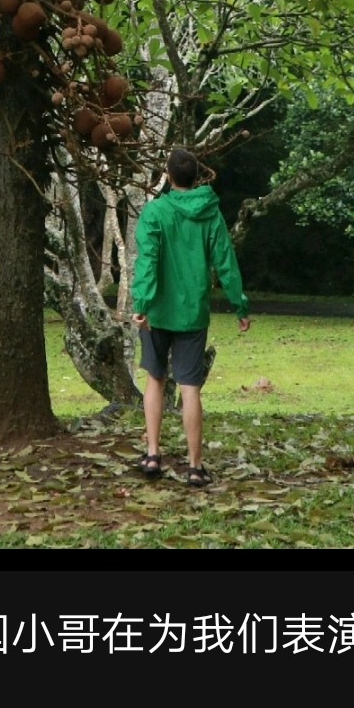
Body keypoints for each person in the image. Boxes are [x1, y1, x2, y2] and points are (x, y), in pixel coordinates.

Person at [130, 146, 250, 486]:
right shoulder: (210, 213)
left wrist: (141, 305)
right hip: (193, 313)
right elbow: (225, 262)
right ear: (197, 177)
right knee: (190, 387)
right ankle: (195, 467)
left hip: (156, 312)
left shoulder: (154, 212)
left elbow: (147, 261)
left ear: (167, 176)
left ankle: (153, 454)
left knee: (155, 378)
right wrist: (239, 305)